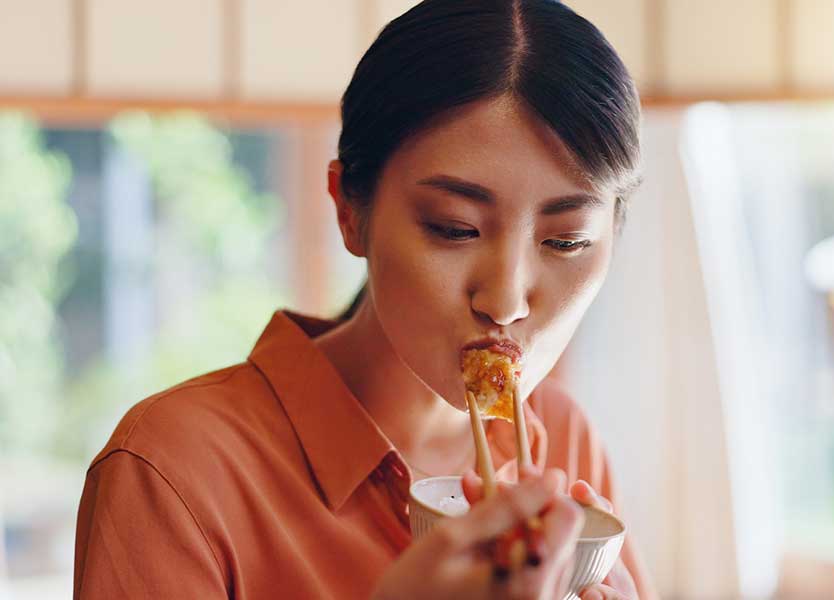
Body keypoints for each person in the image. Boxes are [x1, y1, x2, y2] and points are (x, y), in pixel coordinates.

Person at [73, 1, 656, 598]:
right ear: (350, 210)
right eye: (455, 227)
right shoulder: (176, 467)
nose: (504, 299)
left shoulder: (559, 437)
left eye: (566, 241)